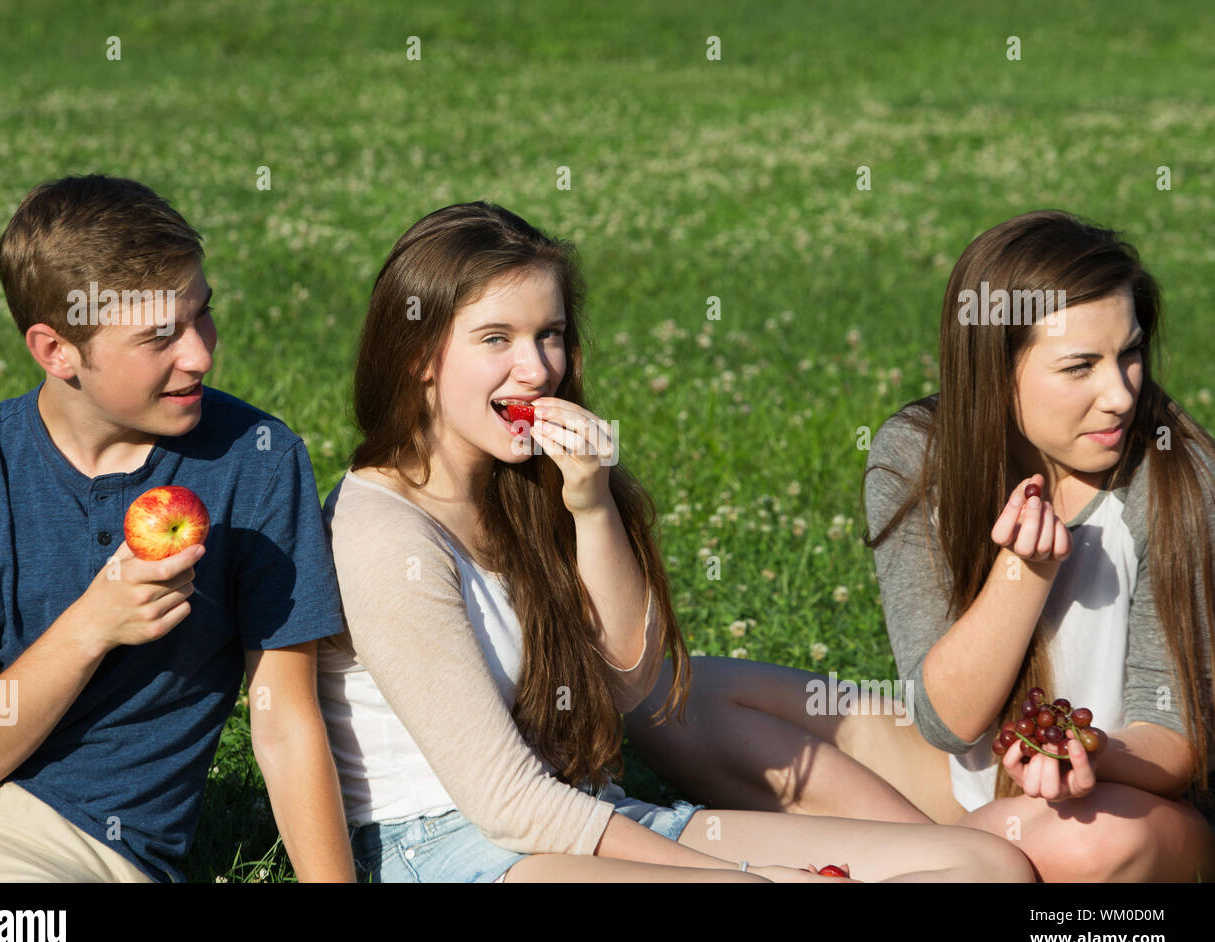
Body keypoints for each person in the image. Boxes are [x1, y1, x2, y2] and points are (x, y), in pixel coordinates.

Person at [316, 200, 1035, 882]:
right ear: (419, 355)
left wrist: (591, 505)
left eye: (551, 334)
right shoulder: (382, 532)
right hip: (454, 850)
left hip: (591, 815)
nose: (537, 370)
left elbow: (634, 682)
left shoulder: (534, 487)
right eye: (496, 339)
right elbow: (507, 802)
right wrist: (742, 875)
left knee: (988, 866)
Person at [625, 210, 1215, 882]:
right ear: (995, 372)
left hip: (1125, 801)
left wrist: (1083, 756)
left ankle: (936, 860)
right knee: (672, 696)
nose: (1119, 394)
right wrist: (1023, 574)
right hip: (959, 777)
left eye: (1130, 353)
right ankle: (953, 861)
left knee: (1082, 848)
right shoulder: (916, 457)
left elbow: (1176, 742)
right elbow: (950, 721)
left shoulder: (1177, 477)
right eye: (1080, 366)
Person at [0, 174, 353, 883]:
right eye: (161, 336)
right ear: (57, 351)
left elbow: (283, 720)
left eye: (201, 315)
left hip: (72, 846)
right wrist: (92, 624)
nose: (201, 354)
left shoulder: (256, 463)